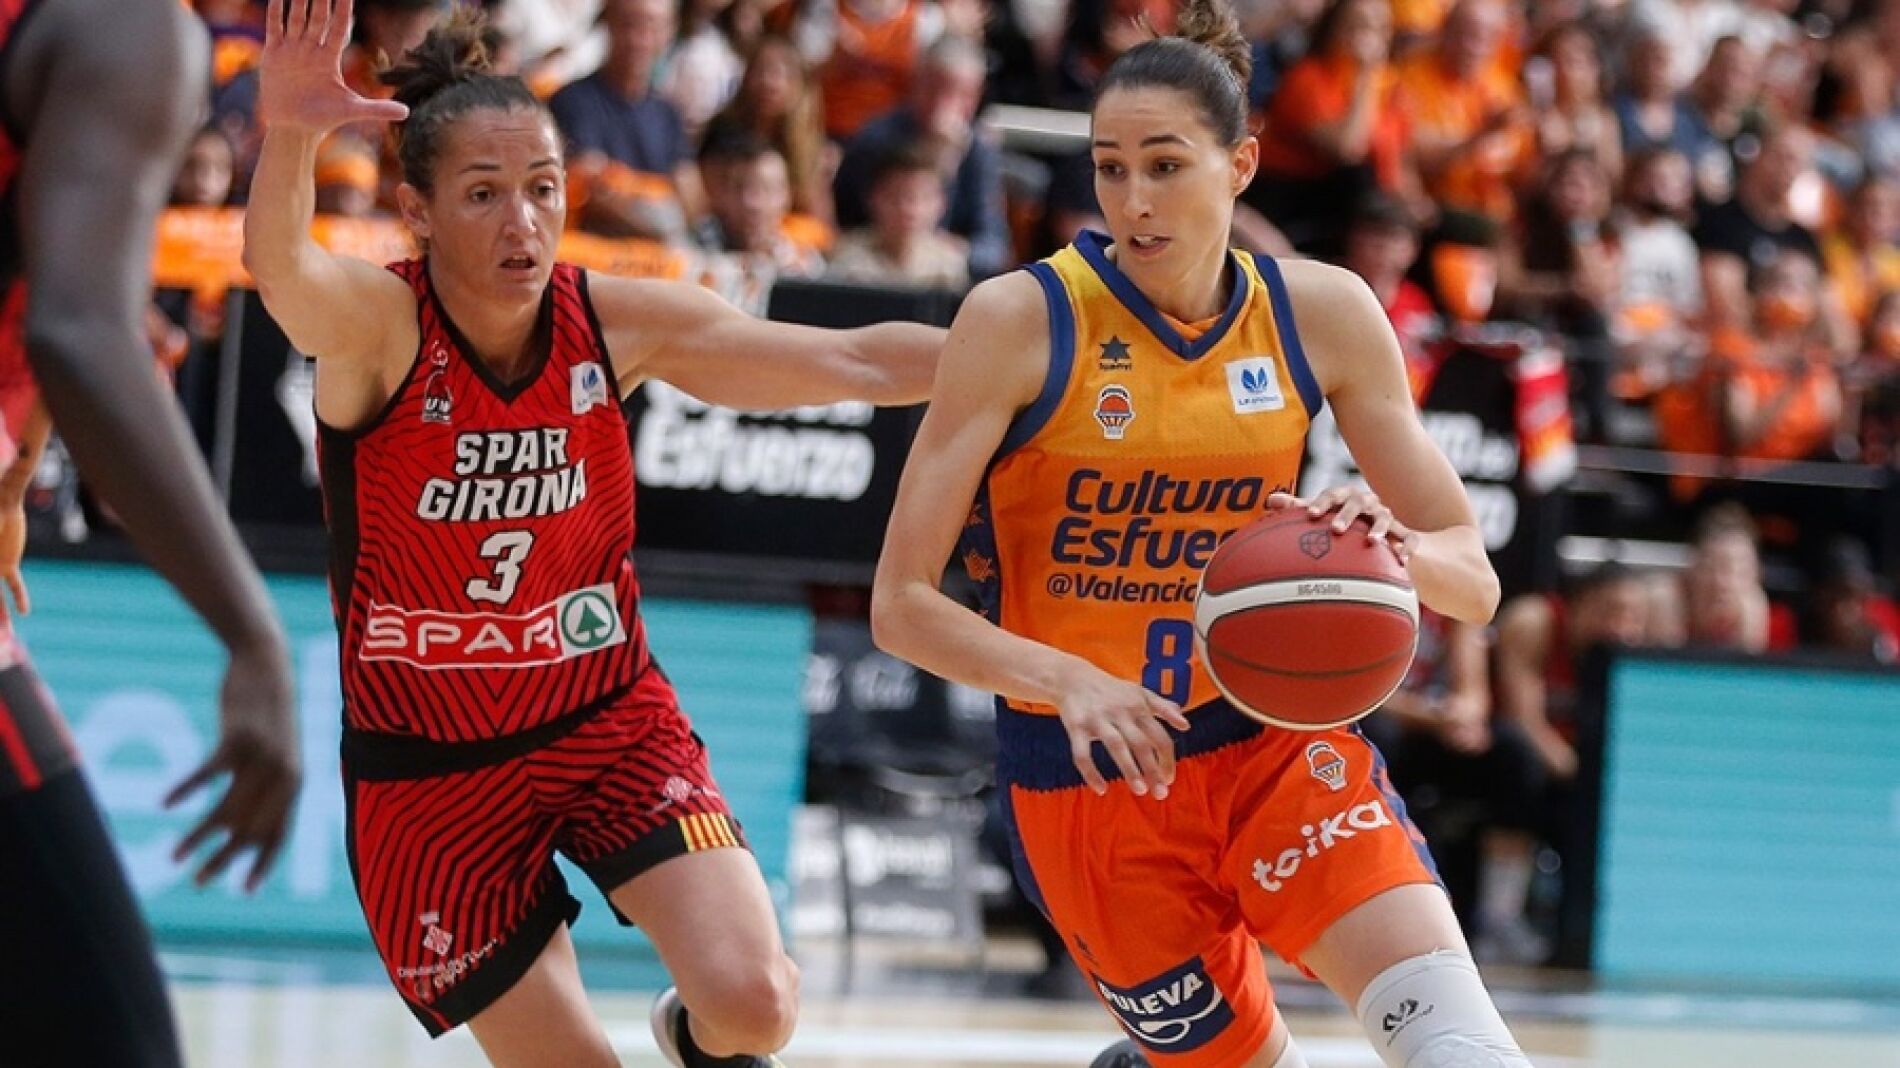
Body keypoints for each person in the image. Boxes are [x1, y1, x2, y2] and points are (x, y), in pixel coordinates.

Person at [242, 5, 940, 1066]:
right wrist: (293, 133)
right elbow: (285, 274)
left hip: (605, 722)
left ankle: (692, 1036)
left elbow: (848, 361)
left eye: (543, 187)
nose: (522, 221)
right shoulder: (382, 328)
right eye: (483, 194)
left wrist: (1037, 346)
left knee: (756, 1004)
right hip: (428, 778)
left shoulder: (612, 319)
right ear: (416, 212)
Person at [869, 1, 1532, 1065]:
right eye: (1110, 168)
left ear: (1241, 165)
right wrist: (1068, 680)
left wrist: (1388, 552)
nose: (1133, 199)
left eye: (1166, 166)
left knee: (1463, 1052)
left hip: (1275, 743)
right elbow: (900, 606)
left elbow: (1476, 581)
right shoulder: (1019, 320)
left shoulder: (1321, 313)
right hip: (1090, 780)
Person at [0, 0, 301, 1065]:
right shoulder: (130, 27)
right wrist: (253, 634)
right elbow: (77, 328)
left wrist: (16, 469)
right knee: (109, 1039)